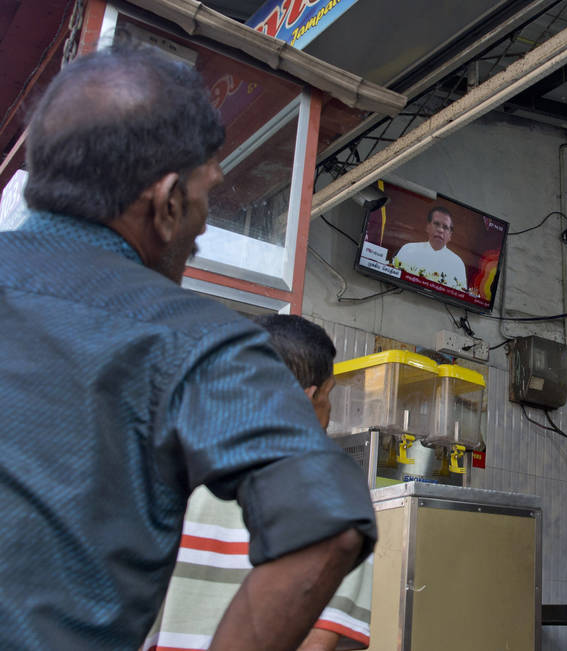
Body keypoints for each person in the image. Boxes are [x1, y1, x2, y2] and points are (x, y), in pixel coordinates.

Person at [0, 44, 376, 650]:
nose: (200, 236)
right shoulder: (195, 340)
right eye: (205, 203)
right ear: (168, 202)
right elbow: (327, 522)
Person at [143, 314, 373, 651]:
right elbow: (318, 643)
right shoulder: (334, 497)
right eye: (328, 394)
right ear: (306, 398)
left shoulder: (171, 476)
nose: (330, 410)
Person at [392, 205, 467, 289]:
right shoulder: (408, 249)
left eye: (445, 227)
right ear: (428, 227)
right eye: (436, 224)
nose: (440, 230)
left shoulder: (457, 264)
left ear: (450, 235)